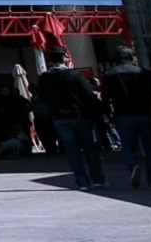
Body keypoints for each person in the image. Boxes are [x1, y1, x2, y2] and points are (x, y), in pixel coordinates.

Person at [35, 50, 107, 191]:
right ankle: (97, 179)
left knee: (72, 151)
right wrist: (99, 110)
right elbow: (88, 95)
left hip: (59, 117)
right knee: (90, 148)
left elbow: (41, 98)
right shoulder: (74, 75)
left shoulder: (45, 78)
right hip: (80, 115)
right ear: (64, 58)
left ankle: (82, 181)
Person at [101, 45, 151, 189]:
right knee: (150, 148)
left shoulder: (110, 75)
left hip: (123, 114)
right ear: (130, 57)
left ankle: (134, 166)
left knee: (129, 147)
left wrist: (108, 114)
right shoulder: (145, 73)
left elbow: (105, 97)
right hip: (145, 112)